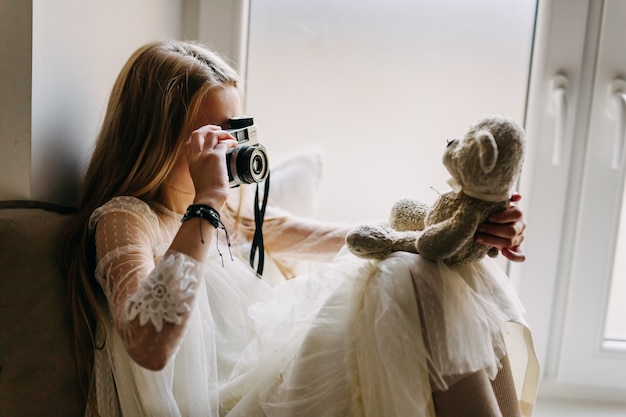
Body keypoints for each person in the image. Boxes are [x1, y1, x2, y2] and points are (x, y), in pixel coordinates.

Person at [62, 40, 532, 417]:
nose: (232, 153)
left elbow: (359, 239)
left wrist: (471, 226)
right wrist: (206, 201)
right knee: (414, 273)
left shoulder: (237, 217)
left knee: (422, 265)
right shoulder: (126, 219)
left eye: (236, 131)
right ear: (157, 141)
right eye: (214, 138)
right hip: (234, 406)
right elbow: (149, 343)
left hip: (278, 386)